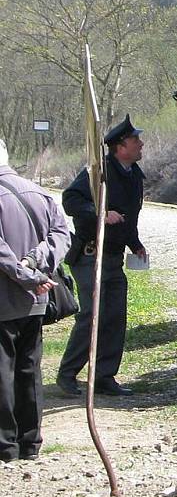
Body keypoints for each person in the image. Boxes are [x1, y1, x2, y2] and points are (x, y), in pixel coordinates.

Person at [57, 114, 147, 397]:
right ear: (121, 146)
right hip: (89, 256)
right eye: (135, 141)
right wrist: (99, 214)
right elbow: (71, 200)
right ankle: (68, 374)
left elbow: (129, 217)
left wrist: (135, 243)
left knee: (114, 317)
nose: (141, 144)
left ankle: (105, 377)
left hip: (114, 257)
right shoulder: (99, 172)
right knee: (92, 316)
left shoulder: (134, 176)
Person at [0, 139, 70, 461]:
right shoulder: (38, 192)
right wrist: (38, 264)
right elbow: (61, 236)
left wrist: (30, 272)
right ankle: (31, 443)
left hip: (6, 299)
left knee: (4, 372)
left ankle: (6, 446)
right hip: (36, 298)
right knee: (29, 369)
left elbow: (3, 256)